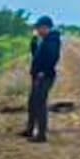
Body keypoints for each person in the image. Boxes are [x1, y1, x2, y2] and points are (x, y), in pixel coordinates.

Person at [21, 15, 61, 143]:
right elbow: (36, 55)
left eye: (39, 28)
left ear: (45, 27)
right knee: (32, 102)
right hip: (38, 75)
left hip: (44, 76)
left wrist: (43, 71)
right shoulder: (44, 39)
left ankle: (41, 134)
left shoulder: (52, 40)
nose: (37, 31)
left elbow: (52, 58)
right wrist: (33, 41)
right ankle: (30, 128)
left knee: (39, 104)